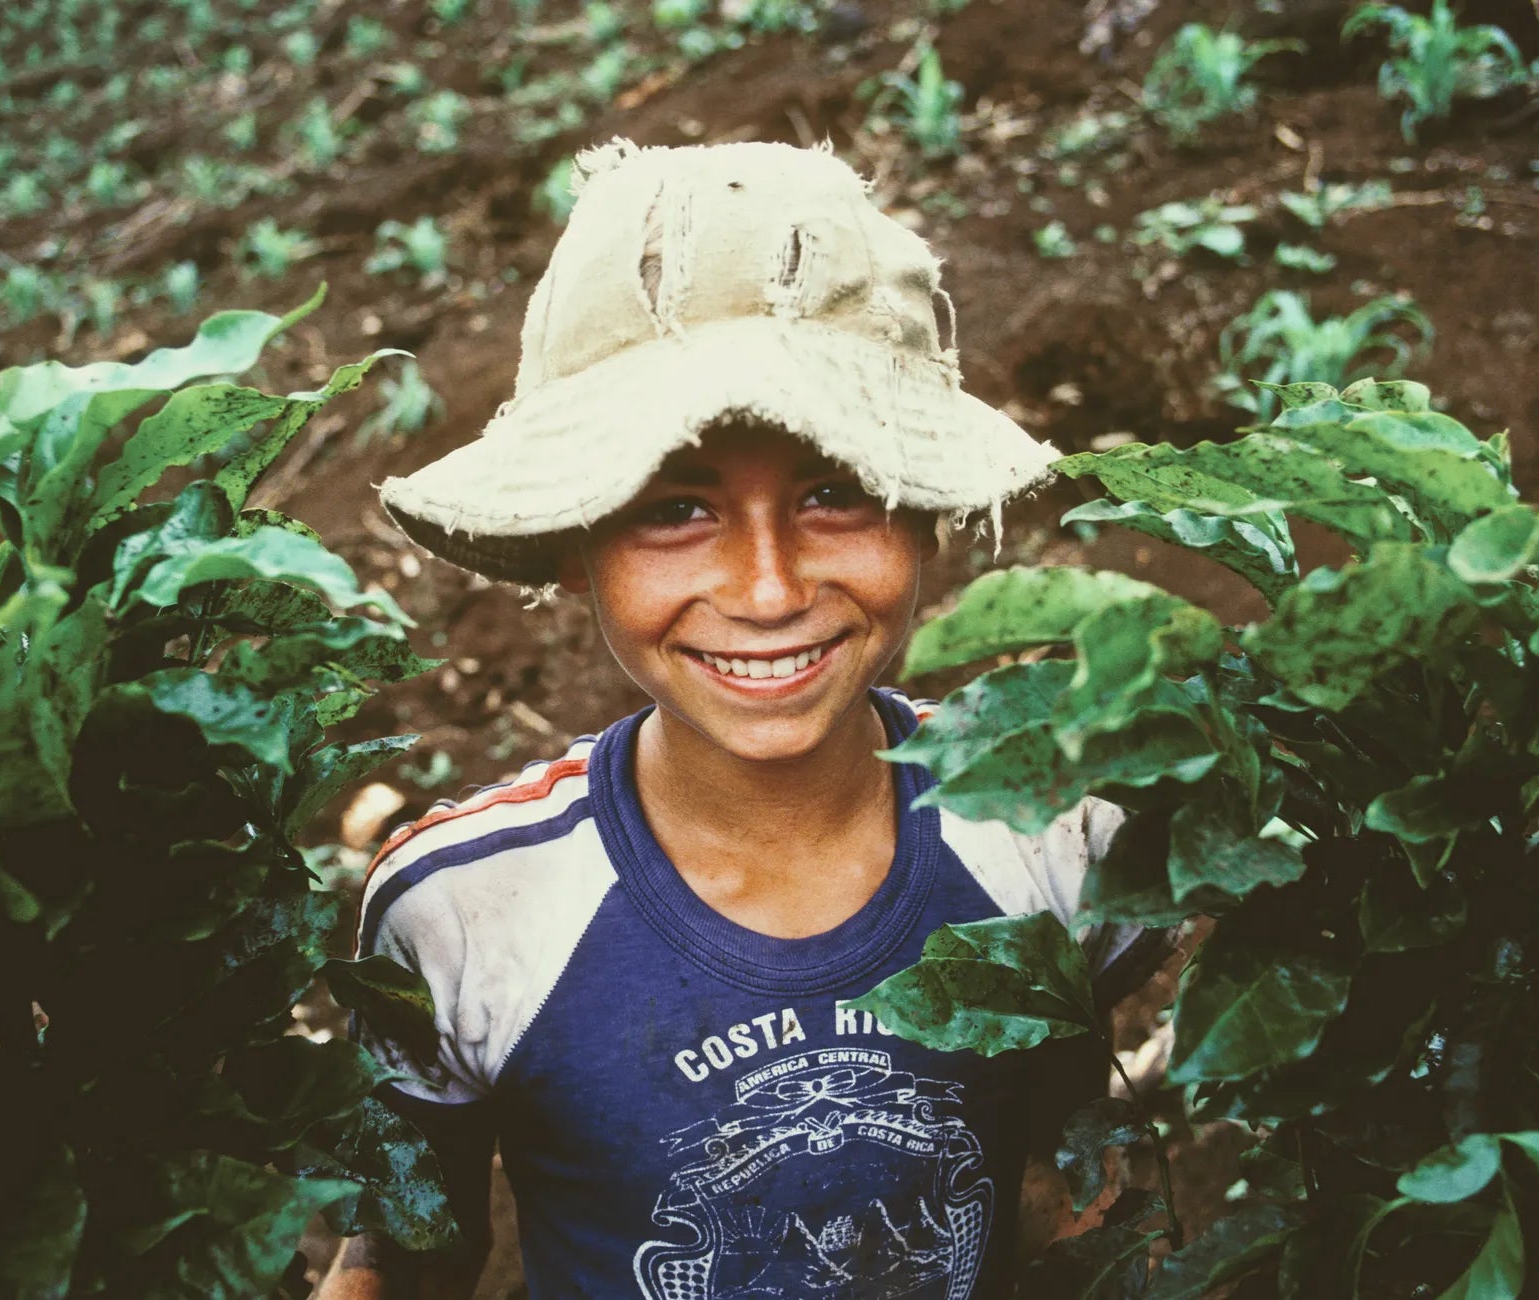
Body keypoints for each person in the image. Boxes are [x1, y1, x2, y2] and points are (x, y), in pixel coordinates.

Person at [320, 136, 1167, 1300]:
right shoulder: (463, 912)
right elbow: (410, 1257)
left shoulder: (1049, 837)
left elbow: (1065, 1190)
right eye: (676, 508)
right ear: (574, 544)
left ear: (924, 514)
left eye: (835, 492)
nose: (767, 591)